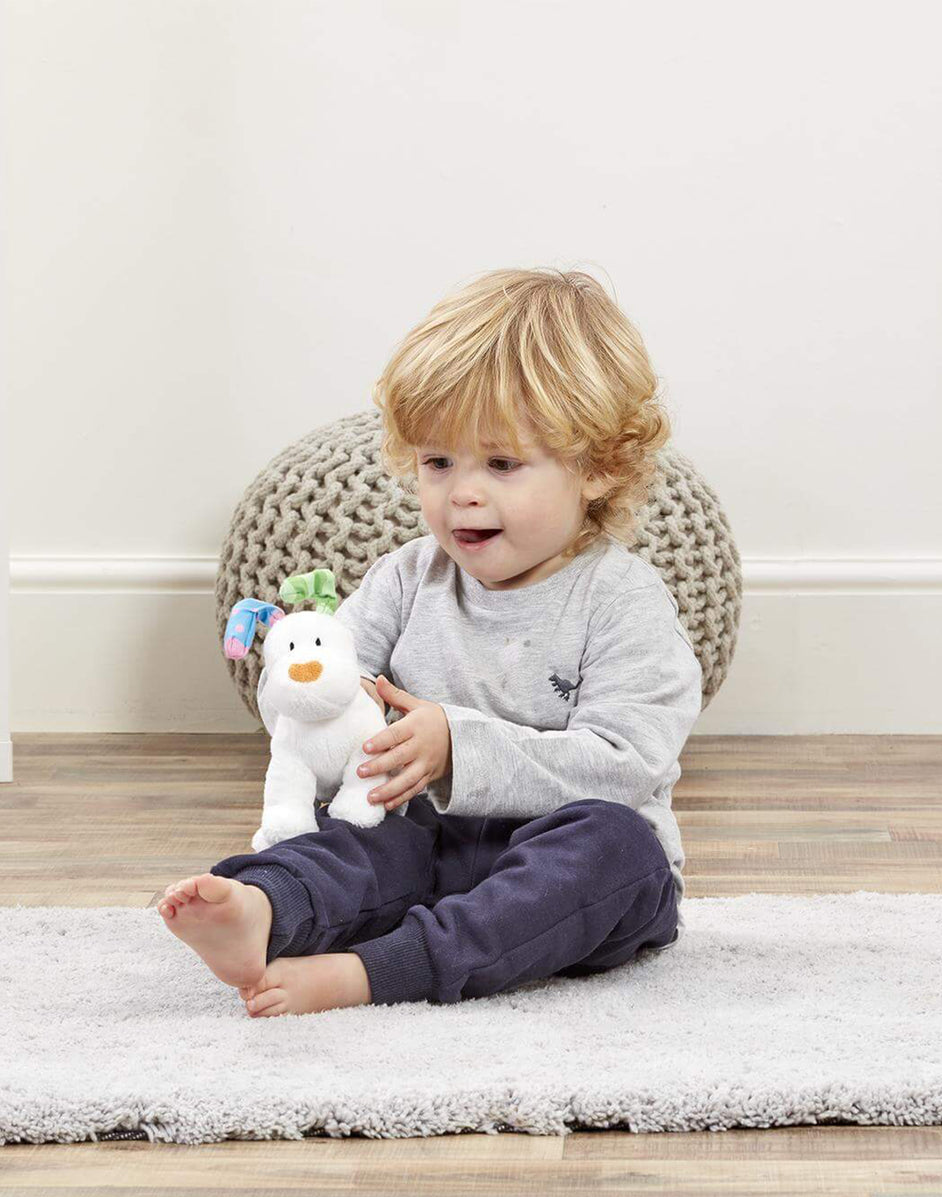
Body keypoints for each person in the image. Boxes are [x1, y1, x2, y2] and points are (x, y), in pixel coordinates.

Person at [158, 266, 702, 1017]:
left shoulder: (622, 600)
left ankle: (379, 971)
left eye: (502, 464)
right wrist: (313, 692)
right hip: (424, 842)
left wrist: (458, 745)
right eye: (438, 462)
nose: (463, 492)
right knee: (350, 838)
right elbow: (331, 687)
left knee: (616, 849)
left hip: (566, 868)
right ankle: (263, 909)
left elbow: (626, 766)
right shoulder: (406, 578)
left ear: (600, 467)